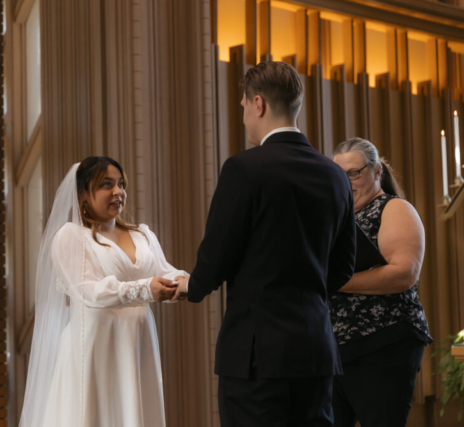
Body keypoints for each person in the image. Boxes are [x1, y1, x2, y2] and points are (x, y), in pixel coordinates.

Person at [173, 61, 356, 426]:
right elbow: (343, 267)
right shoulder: (335, 176)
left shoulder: (243, 168)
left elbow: (217, 254)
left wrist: (192, 285)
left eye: (242, 106)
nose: (242, 117)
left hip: (257, 357)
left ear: (258, 104)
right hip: (316, 353)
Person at [19, 156, 186, 427]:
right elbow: (90, 291)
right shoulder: (71, 236)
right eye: (106, 184)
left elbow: (165, 270)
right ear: (83, 193)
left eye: (121, 184)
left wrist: (189, 281)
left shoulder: (142, 235)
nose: (118, 191)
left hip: (137, 341)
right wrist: (146, 288)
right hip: (96, 343)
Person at [330, 137, 431, 427]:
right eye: (340, 175)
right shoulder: (337, 217)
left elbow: (404, 273)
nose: (346, 181)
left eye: (354, 173)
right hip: (334, 348)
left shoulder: (394, 208)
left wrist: (335, 282)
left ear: (376, 172)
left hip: (383, 342)